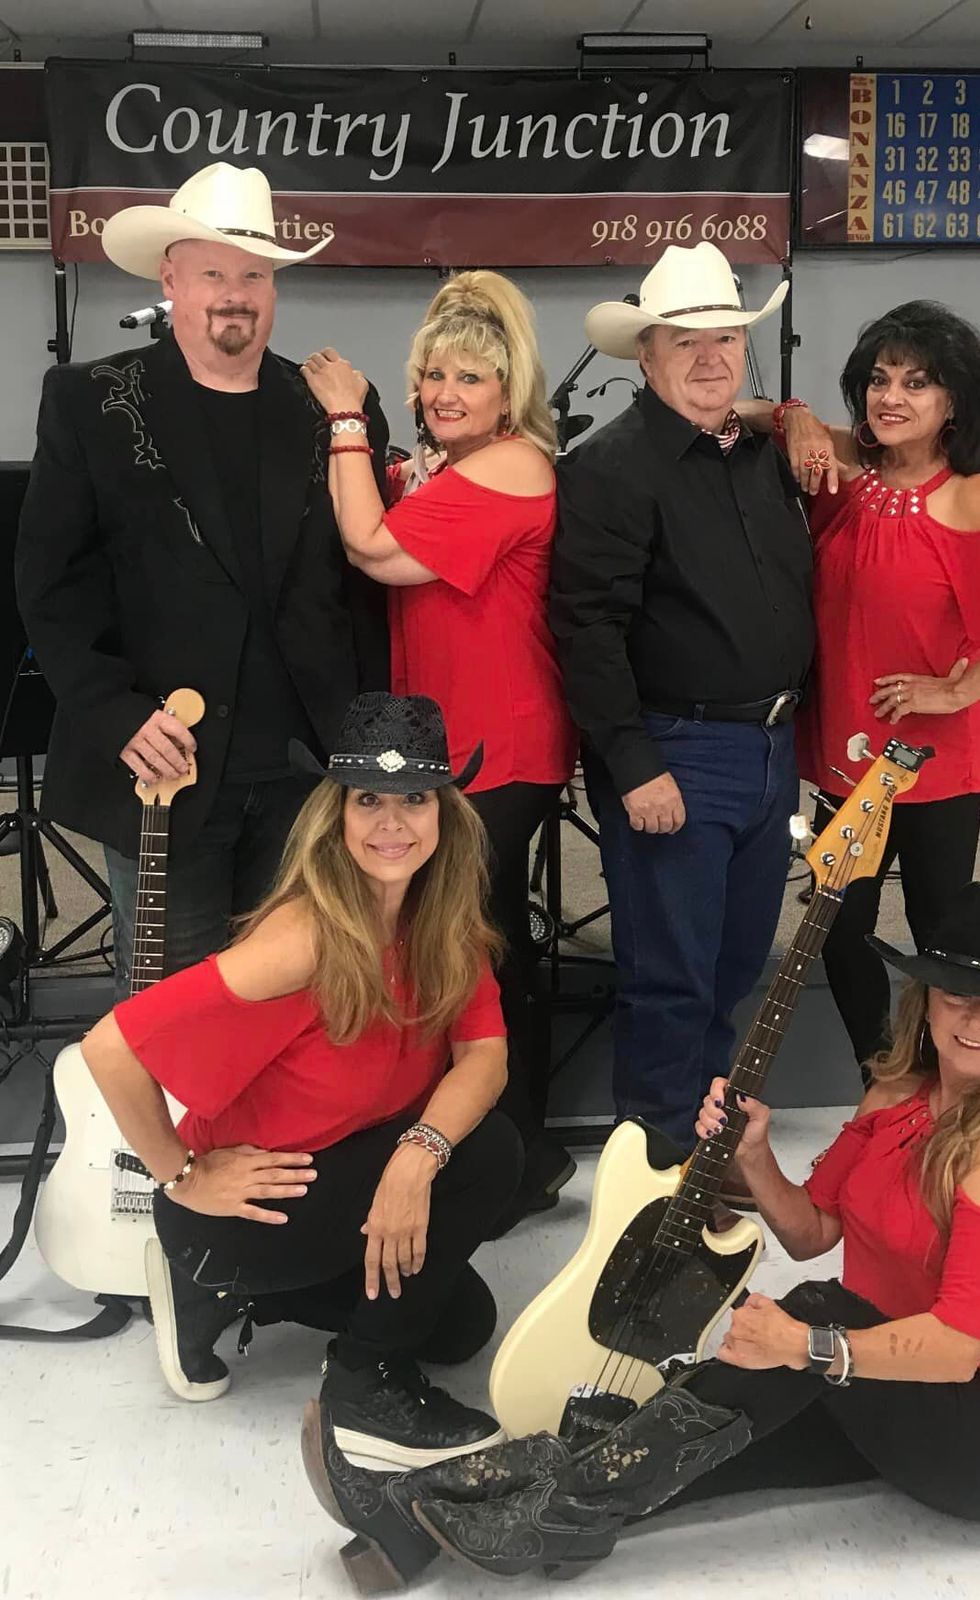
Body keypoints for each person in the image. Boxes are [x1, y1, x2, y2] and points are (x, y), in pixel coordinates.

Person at [300, 882, 980, 1585]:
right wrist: (754, 1154)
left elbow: (958, 1351)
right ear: (925, 1000)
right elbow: (812, 1229)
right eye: (958, 994)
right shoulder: (897, 1096)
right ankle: (426, 1518)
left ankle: (490, 1515)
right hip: (887, 1379)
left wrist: (805, 1346)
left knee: (806, 1321)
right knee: (685, 1439)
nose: (976, 1019)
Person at [80, 692, 523, 1465]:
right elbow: (109, 1047)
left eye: (416, 799)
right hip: (247, 1210)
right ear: (336, 814)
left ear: (445, 814)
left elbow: (485, 1054)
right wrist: (181, 1177)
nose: (392, 822)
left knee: (461, 1328)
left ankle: (226, 1297)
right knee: (491, 1155)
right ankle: (360, 1390)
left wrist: (415, 1157)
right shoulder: (304, 938)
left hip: (345, 1171)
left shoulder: (441, 918)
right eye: (368, 800)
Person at [16, 162, 389, 995]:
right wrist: (114, 712)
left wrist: (365, 743)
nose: (234, 295)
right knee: (172, 1010)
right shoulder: (89, 401)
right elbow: (50, 582)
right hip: (161, 765)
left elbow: (362, 591)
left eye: (253, 275)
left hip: (304, 775)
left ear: (274, 289)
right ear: (170, 279)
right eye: (213, 273)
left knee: (290, 999)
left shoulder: (332, 410)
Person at [298, 271, 578, 1226]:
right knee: (478, 938)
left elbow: (372, 548)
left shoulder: (512, 466)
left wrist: (346, 419)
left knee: (482, 944)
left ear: (508, 392)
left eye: (470, 377)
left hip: (499, 743)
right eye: (434, 375)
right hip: (459, 741)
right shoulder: (456, 468)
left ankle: (519, 1154)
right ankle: (507, 1150)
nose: (445, 393)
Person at [739, 301, 980, 1074]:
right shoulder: (848, 464)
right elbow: (738, 410)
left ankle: (947, 1081)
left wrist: (962, 691)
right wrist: (796, 416)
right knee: (839, 925)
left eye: (917, 383)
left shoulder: (970, 494)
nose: (890, 397)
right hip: (847, 744)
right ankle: (880, 1077)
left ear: (953, 400)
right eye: (879, 379)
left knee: (940, 930)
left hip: (934, 756)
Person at [550, 241, 812, 1147]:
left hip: (770, 748)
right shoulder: (609, 467)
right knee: (671, 979)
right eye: (686, 340)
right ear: (646, 354)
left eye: (727, 337)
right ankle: (657, 1170)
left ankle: (702, 1147)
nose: (711, 357)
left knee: (735, 967)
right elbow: (587, 628)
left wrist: (794, 418)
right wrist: (633, 764)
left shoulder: (762, 455)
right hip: (676, 751)